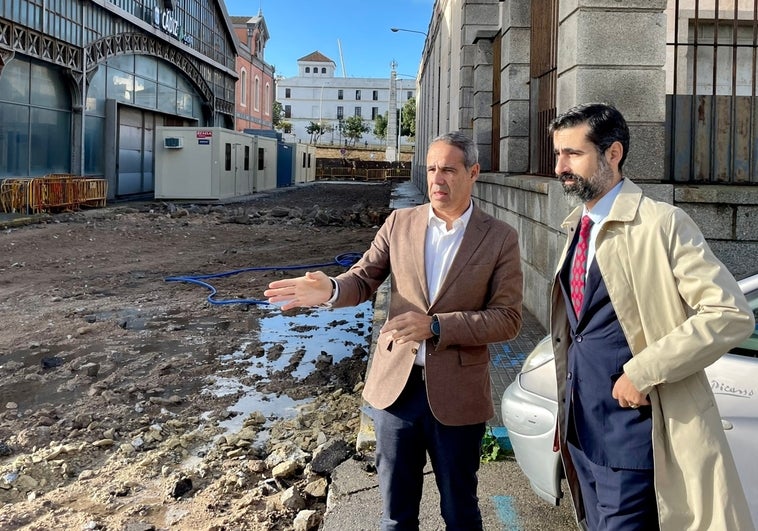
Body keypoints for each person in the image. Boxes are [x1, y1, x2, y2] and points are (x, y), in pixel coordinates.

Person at [265, 131, 523, 530]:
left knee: (460, 511)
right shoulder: (399, 222)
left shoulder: (500, 237)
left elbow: (508, 318)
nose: (437, 179)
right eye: (432, 168)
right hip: (396, 393)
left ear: (474, 173)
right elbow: (363, 279)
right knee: (394, 515)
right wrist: (330, 289)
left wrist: (436, 326)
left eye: (449, 170)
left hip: (458, 396)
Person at [549, 102, 755, 530]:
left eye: (573, 154)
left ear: (613, 153)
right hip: (580, 434)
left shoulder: (662, 224)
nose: (560, 167)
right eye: (557, 154)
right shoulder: (576, 228)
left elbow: (730, 314)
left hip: (633, 440)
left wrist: (643, 371)